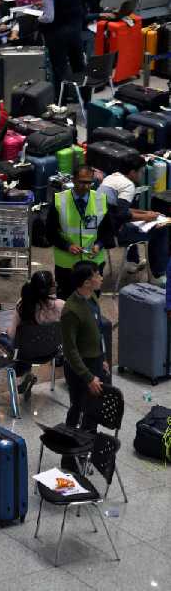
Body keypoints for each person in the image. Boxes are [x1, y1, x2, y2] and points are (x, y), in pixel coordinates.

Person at [98, 153, 169, 288]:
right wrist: (147, 218)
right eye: (141, 172)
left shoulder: (110, 178)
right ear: (132, 172)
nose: (142, 175)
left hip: (104, 229)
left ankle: (132, 263)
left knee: (137, 221)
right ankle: (158, 276)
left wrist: (145, 213)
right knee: (161, 229)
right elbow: (122, 214)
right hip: (115, 233)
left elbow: (117, 210)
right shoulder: (128, 185)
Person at [60, 261, 110, 444]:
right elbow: (70, 350)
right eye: (98, 275)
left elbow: (97, 331)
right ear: (87, 282)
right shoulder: (71, 311)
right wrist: (88, 377)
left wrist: (102, 357)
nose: (101, 278)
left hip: (95, 361)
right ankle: (69, 449)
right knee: (78, 408)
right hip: (80, 368)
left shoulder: (92, 298)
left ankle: (87, 446)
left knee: (93, 409)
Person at [47, 165, 114, 300]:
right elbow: (50, 232)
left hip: (93, 263)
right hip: (67, 264)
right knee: (66, 301)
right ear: (74, 180)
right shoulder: (60, 200)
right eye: (82, 182)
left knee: (92, 300)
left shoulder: (101, 200)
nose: (86, 186)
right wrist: (67, 246)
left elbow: (109, 231)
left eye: (89, 182)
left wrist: (99, 245)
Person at [0, 271, 66, 395]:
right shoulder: (61, 306)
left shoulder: (23, 306)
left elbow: (11, 334)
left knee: (11, 341)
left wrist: (4, 333)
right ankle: (26, 376)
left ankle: (24, 374)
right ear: (51, 288)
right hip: (52, 352)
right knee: (33, 341)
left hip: (26, 354)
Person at [39, 0, 85, 100]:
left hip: (56, 34)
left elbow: (49, 18)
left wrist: (37, 18)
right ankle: (85, 100)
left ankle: (61, 103)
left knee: (60, 70)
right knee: (79, 66)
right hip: (75, 32)